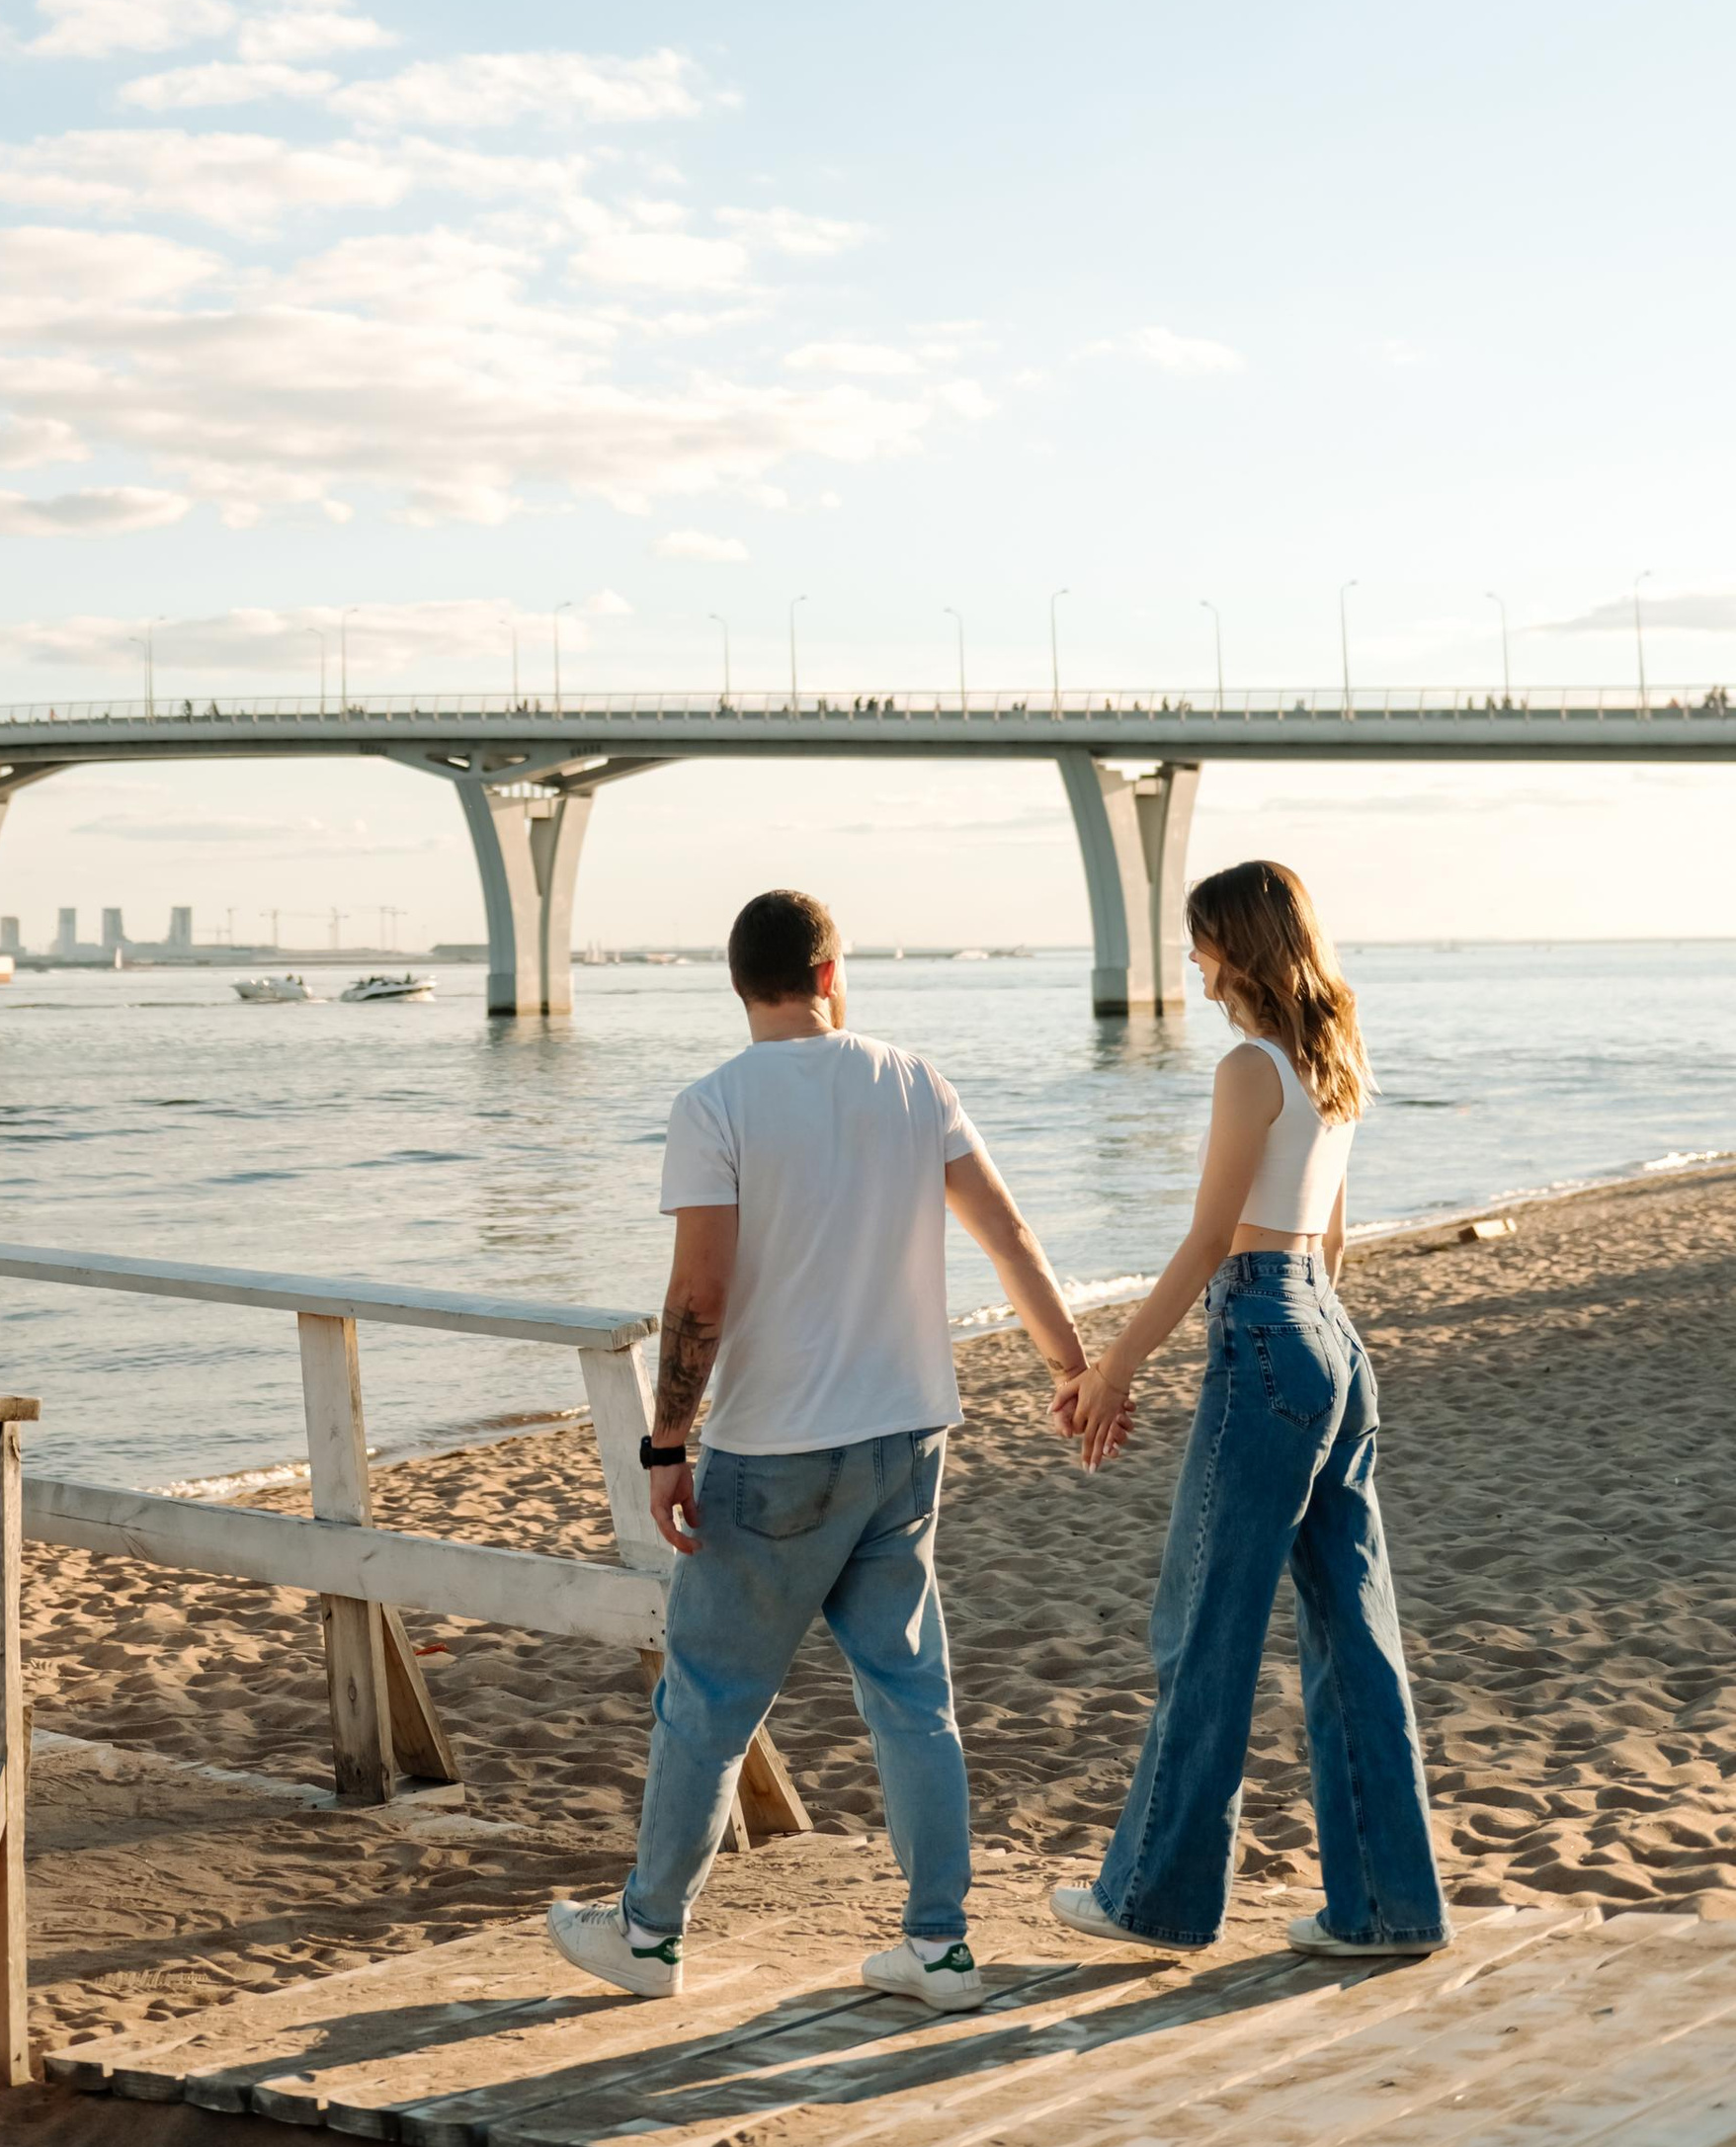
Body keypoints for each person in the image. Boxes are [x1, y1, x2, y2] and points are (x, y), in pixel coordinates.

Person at [545, 885, 1113, 2015]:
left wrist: (667, 1445)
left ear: (740, 983)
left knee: (708, 1699)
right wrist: (1069, 1366)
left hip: (776, 1450)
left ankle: (649, 1935)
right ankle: (940, 1947)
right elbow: (1006, 1233)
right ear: (829, 972)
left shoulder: (714, 1103)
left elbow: (698, 1293)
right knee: (911, 1699)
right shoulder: (913, 1080)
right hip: (905, 1436)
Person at [1053, 857, 1447, 1959]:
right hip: (1330, 1337)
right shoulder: (1333, 1058)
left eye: (1201, 942)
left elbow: (1209, 1238)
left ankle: (1155, 1900)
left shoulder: (1245, 1068)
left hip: (1269, 1337)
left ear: (1236, 945)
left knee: (1205, 1627)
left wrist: (1116, 1366)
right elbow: (1327, 1237)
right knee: (1351, 1631)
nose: (1192, 961)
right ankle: (1387, 1907)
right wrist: (1311, 1337)